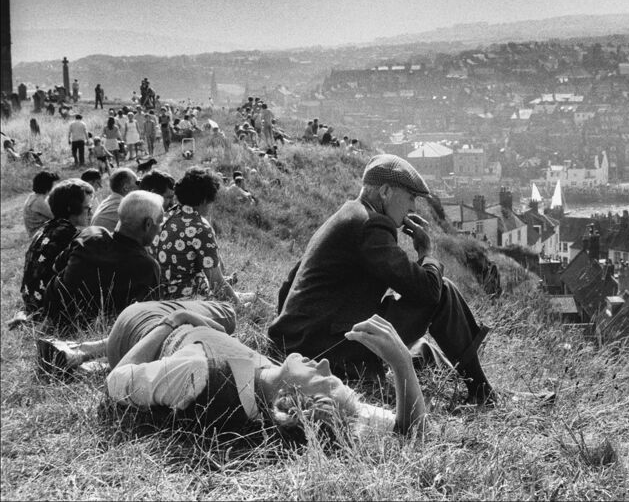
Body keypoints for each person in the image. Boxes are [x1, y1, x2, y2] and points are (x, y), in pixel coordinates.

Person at [269, 154, 496, 405]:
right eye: (410, 197)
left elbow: (288, 285)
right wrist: (426, 252)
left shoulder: (348, 215)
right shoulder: (371, 225)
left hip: (301, 342)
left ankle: (477, 383)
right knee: (442, 290)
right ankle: (482, 391)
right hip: (328, 349)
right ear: (386, 191)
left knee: (425, 332)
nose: (412, 208)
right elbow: (429, 292)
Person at [37, 303, 425, 436]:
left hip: (144, 324)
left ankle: (80, 351)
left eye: (324, 378)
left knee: (224, 313)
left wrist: (173, 322)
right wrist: (401, 364)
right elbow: (410, 429)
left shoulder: (200, 373)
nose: (323, 363)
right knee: (221, 321)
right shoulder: (276, 392)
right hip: (180, 349)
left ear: (293, 404)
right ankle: (82, 356)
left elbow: (116, 382)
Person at [43, 191, 163, 334]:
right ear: (148, 224)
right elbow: (148, 319)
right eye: (160, 222)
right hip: (96, 333)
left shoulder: (90, 235)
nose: (160, 228)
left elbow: (56, 266)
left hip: (55, 318)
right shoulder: (148, 267)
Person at [153, 167, 242, 305]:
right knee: (253, 299)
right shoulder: (199, 228)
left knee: (248, 297)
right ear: (205, 200)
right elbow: (216, 282)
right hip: (189, 299)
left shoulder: (170, 215)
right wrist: (240, 307)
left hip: (163, 296)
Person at [21, 179, 95, 318]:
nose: (91, 212)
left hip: (32, 304)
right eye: (88, 208)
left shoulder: (46, 228)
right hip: (51, 312)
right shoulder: (73, 235)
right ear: (71, 208)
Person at [91, 168, 138, 232]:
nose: (138, 186)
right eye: (136, 183)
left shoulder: (108, 201)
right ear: (126, 187)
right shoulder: (123, 207)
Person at [23, 170, 60, 237]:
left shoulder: (35, 196)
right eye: (54, 184)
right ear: (48, 186)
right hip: (39, 235)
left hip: (42, 230)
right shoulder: (38, 202)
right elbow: (56, 217)